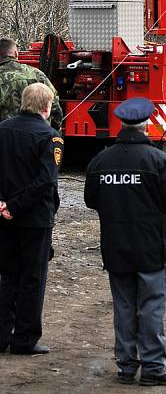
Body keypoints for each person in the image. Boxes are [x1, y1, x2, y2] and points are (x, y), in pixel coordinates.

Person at [84, 97, 166, 387]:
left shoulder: (101, 160)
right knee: (152, 307)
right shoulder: (158, 160)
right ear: (146, 124)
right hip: (152, 247)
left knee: (124, 307)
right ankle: (153, 369)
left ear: (122, 124)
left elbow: (91, 200)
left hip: (116, 246)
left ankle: (126, 367)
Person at [0, 83, 64, 354]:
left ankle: (1, 335)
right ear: (47, 107)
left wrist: (4, 204)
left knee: (8, 276)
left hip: (3, 215)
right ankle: (24, 339)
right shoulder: (50, 137)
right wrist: (15, 205)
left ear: (23, 102)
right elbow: (45, 182)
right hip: (35, 218)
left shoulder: (2, 129)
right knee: (33, 278)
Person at [0, 37, 63, 130]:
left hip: (6, 138)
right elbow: (54, 105)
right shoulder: (37, 74)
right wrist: (52, 130)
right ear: (16, 53)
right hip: (37, 135)